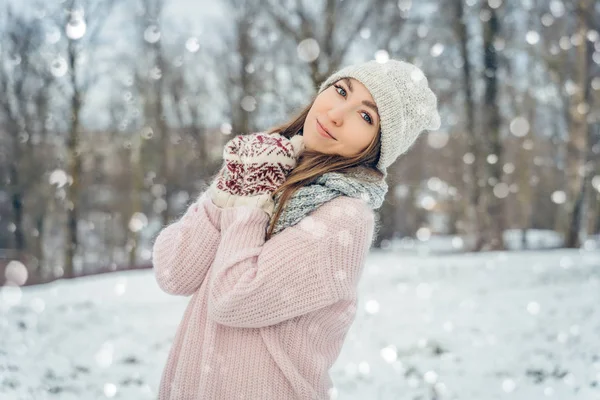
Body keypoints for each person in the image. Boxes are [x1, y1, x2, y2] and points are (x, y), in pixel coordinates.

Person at [151, 58, 441, 399]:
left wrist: (248, 196)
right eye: (340, 90)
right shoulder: (265, 165)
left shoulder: (344, 218)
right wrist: (227, 191)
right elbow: (174, 273)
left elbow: (232, 299)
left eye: (366, 116)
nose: (336, 113)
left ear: (377, 147)